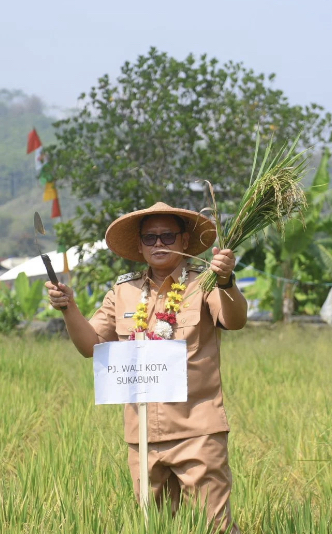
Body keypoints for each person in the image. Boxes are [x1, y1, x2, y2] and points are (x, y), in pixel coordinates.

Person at [47, 202, 247, 533]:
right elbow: (90, 345)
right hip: (142, 436)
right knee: (154, 526)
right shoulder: (124, 291)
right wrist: (68, 308)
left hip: (197, 430)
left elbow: (234, 320)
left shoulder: (205, 283)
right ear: (139, 246)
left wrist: (226, 281)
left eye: (167, 236)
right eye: (150, 238)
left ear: (183, 241)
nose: (159, 244)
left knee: (214, 526)